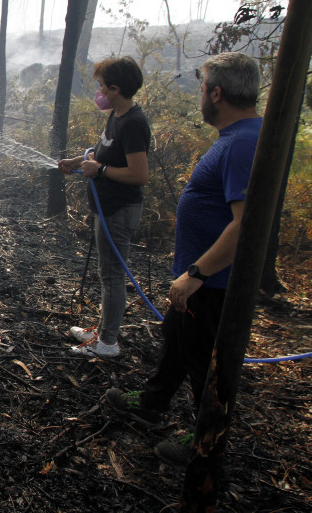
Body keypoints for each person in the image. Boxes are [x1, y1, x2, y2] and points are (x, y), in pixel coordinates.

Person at [103, 52, 263, 466]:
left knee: (202, 360)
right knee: (176, 337)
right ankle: (153, 401)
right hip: (202, 272)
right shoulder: (237, 136)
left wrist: (198, 271)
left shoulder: (244, 142)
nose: (199, 96)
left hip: (212, 282)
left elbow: (246, 224)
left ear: (217, 92)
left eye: (201, 88)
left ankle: (205, 441)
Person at [58, 56, 151, 358]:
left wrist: (98, 171)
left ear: (114, 89)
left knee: (112, 276)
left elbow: (139, 175)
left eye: (100, 86)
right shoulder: (118, 115)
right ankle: (102, 329)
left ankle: (107, 343)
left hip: (119, 211)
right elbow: (106, 152)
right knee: (106, 272)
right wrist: (79, 160)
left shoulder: (134, 123)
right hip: (108, 209)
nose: (97, 92)